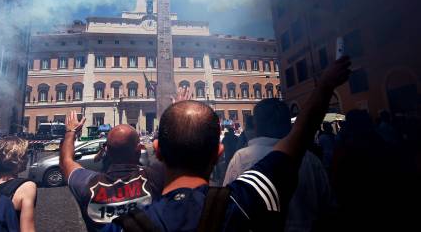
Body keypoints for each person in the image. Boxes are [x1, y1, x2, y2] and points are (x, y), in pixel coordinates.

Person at [106, 56, 351, 232]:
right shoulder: (238, 202)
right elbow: (299, 137)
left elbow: (72, 168)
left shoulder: (125, 227)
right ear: (218, 153)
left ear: (157, 151)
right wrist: (325, 86)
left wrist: (175, 113)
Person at [224, 98, 332, 232]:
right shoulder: (311, 160)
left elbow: (226, 206)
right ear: (288, 124)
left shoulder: (241, 159)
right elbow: (327, 207)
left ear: (256, 124)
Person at [60, 111, 165, 232]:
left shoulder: (86, 185)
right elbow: (181, 155)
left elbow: (66, 161)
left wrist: (70, 132)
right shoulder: (156, 177)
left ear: (107, 152)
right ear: (138, 150)